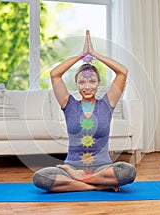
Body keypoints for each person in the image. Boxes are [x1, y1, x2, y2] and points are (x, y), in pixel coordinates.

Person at [33, 30, 137, 192]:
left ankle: (81, 181)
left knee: (128, 172)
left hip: (102, 168)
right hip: (72, 167)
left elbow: (122, 72)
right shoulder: (69, 104)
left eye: (92, 81)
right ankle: (95, 186)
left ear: (98, 83)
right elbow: (55, 74)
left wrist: (95, 54)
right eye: (82, 82)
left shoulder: (107, 104)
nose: (87, 86)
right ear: (77, 85)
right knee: (40, 177)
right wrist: (81, 55)